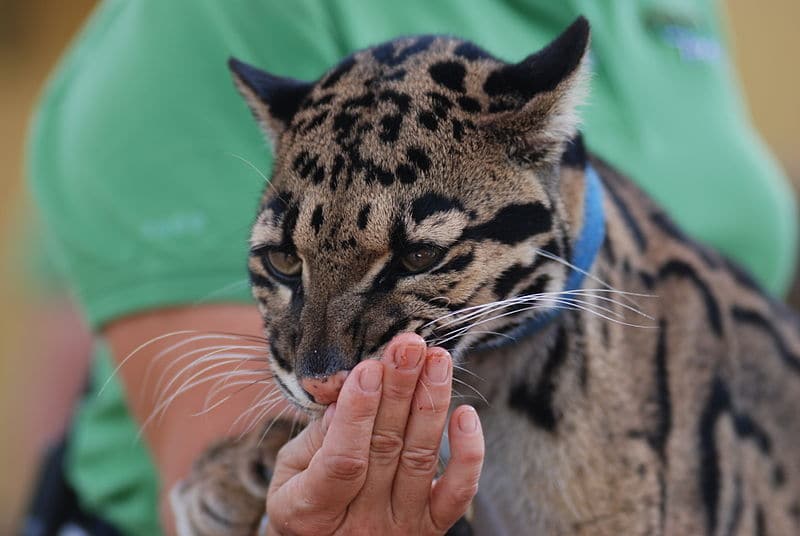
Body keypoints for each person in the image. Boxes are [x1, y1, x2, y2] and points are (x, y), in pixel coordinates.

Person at [26, 0, 797, 534]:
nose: (320, 364)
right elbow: (219, 491)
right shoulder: (201, 19)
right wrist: (272, 479)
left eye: (418, 255)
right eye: (284, 262)